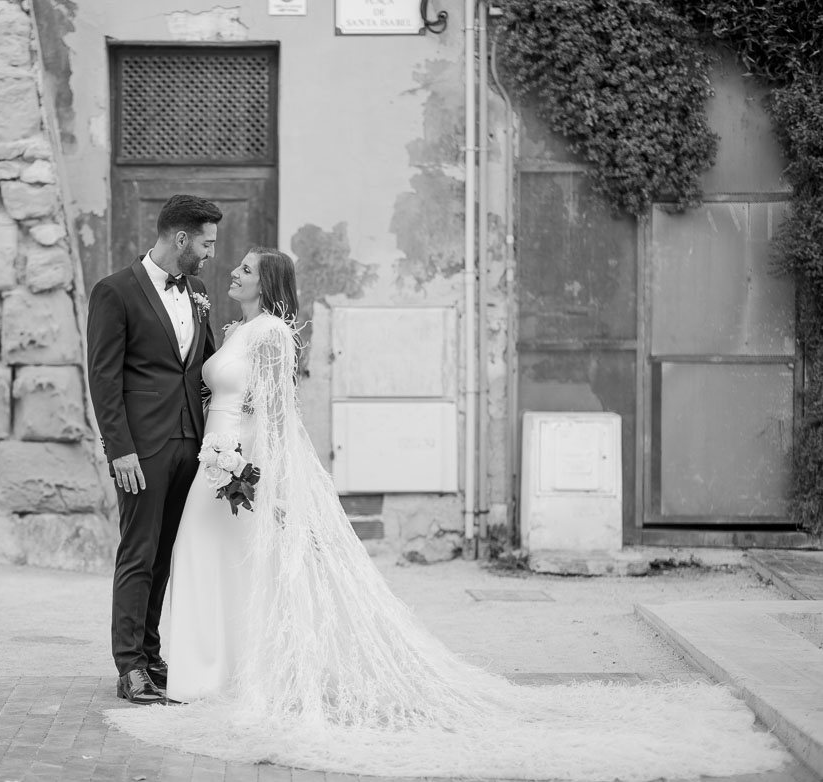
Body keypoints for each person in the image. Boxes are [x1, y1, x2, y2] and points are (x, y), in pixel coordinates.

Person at [105, 247, 788, 780]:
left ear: (269, 282)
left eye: (248, 267)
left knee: (233, 564)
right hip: (212, 459)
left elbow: (282, 416)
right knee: (205, 560)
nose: (234, 270)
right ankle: (203, 668)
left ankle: (226, 673)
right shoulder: (229, 325)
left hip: (240, 464)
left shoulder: (271, 337)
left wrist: (259, 469)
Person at [86, 194, 222, 705]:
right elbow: (104, 378)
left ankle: (152, 653)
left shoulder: (200, 291)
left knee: (166, 554)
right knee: (138, 553)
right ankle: (130, 668)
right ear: (180, 238)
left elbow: (203, 368)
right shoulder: (114, 291)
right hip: (140, 450)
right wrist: (119, 449)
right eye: (206, 244)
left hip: (191, 443)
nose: (211, 254)